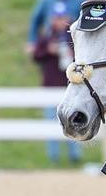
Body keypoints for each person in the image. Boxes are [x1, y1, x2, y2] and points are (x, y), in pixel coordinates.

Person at [32, 12, 84, 165]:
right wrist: (48, 50)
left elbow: (84, 56)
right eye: (57, 18)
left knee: (74, 121)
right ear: (52, 20)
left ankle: (75, 156)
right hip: (50, 85)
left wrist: (71, 53)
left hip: (70, 86)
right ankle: (53, 156)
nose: (60, 22)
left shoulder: (74, 38)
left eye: (62, 18)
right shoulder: (47, 37)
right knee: (51, 121)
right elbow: (36, 55)